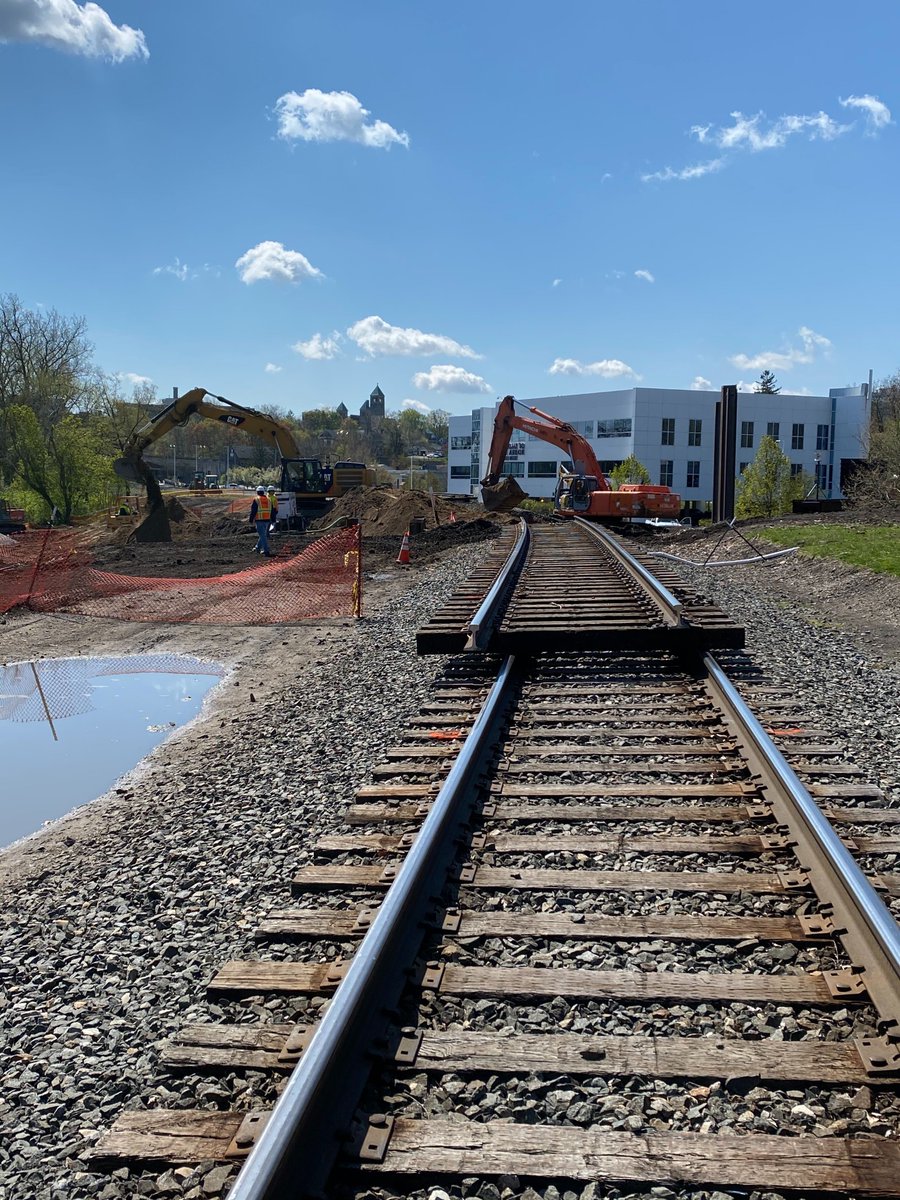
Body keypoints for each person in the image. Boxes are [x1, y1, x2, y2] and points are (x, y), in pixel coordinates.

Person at [249, 486, 273, 556]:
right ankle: (257, 548)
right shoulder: (268, 500)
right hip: (267, 520)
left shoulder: (257, 499)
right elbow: (272, 510)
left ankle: (266, 550)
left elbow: (253, 511)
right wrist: (273, 519)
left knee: (262, 535)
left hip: (259, 519)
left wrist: (251, 519)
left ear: (257, 492)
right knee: (263, 534)